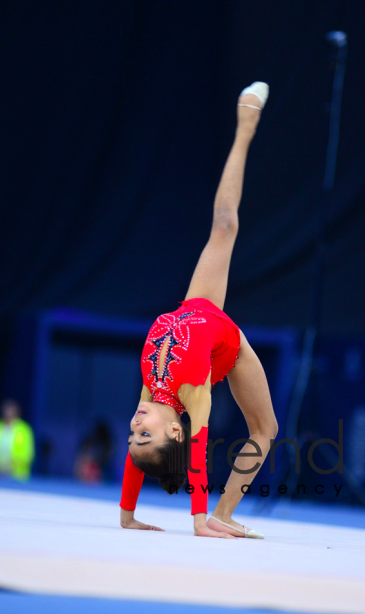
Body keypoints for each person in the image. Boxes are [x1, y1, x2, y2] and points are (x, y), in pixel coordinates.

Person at [120, 82, 278, 539]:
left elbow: (137, 457)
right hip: (228, 345)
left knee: (225, 224)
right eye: (144, 434)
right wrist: (197, 520)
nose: (134, 427)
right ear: (174, 432)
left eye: (133, 435)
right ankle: (223, 512)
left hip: (198, 304)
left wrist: (128, 515)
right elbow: (200, 449)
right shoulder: (192, 394)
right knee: (265, 427)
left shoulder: (152, 392)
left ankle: (244, 125)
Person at [0, 399, 35, 480]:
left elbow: (27, 455)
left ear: (17, 413)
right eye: (6, 411)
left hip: (17, 477)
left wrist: (11, 467)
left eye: (11, 411)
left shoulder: (24, 430)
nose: (8, 414)